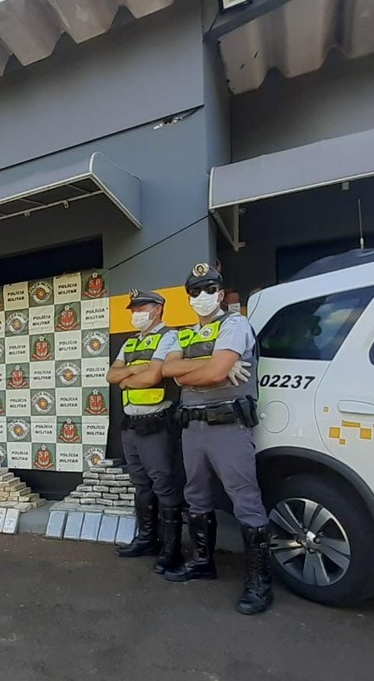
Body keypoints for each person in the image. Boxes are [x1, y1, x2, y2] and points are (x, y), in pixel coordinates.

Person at [160, 262, 272, 616]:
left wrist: (205, 371)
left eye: (209, 290)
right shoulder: (184, 334)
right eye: (195, 292)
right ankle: (203, 563)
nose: (202, 297)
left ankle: (259, 582)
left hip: (228, 427)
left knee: (245, 500)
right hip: (193, 428)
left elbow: (216, 371)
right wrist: (208, 368)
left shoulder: (235, 324)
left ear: (221, 294)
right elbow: (167, 370)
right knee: (196, 496)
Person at [106, 289, 184, 575]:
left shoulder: (169, 338)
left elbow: (154, 376)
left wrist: (128, 376)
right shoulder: (130, 342)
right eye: (133, 309)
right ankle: (146, 539)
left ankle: (171, 550)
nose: (136, 313)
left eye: (141, 308)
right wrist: (130, 375)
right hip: (132, 425)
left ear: (157, 309)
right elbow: (111, 375)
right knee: (141, 485)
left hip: (156, 423)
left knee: (163, 484)